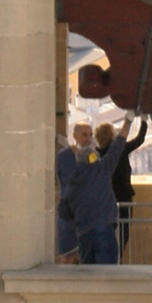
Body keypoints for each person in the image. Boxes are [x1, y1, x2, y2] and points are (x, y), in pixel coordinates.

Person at [58, 111, 135, 264]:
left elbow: (63, 211)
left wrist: (77, 217)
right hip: (104, 229)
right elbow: (118, 145)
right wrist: (128, 120)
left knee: (89, 275)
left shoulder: (74, 182)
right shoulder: (103, 169)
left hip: (84, 234)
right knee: (106, 275)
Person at [93, 114, 149, 254]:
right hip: (123, 198)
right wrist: (144, 120)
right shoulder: (120, 150)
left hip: (103, 200)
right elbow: (139, 139)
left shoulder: (96, 155)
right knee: (123, 234)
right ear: (112, 136)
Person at [55, 121, 92, 264]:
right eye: (84, 134)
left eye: (90, 135)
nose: (88, 139)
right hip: (68, 215)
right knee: (67, 255)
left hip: (88, 214)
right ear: (75, 135)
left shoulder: (93, 157)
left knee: (88, 256)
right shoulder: (63, 157)